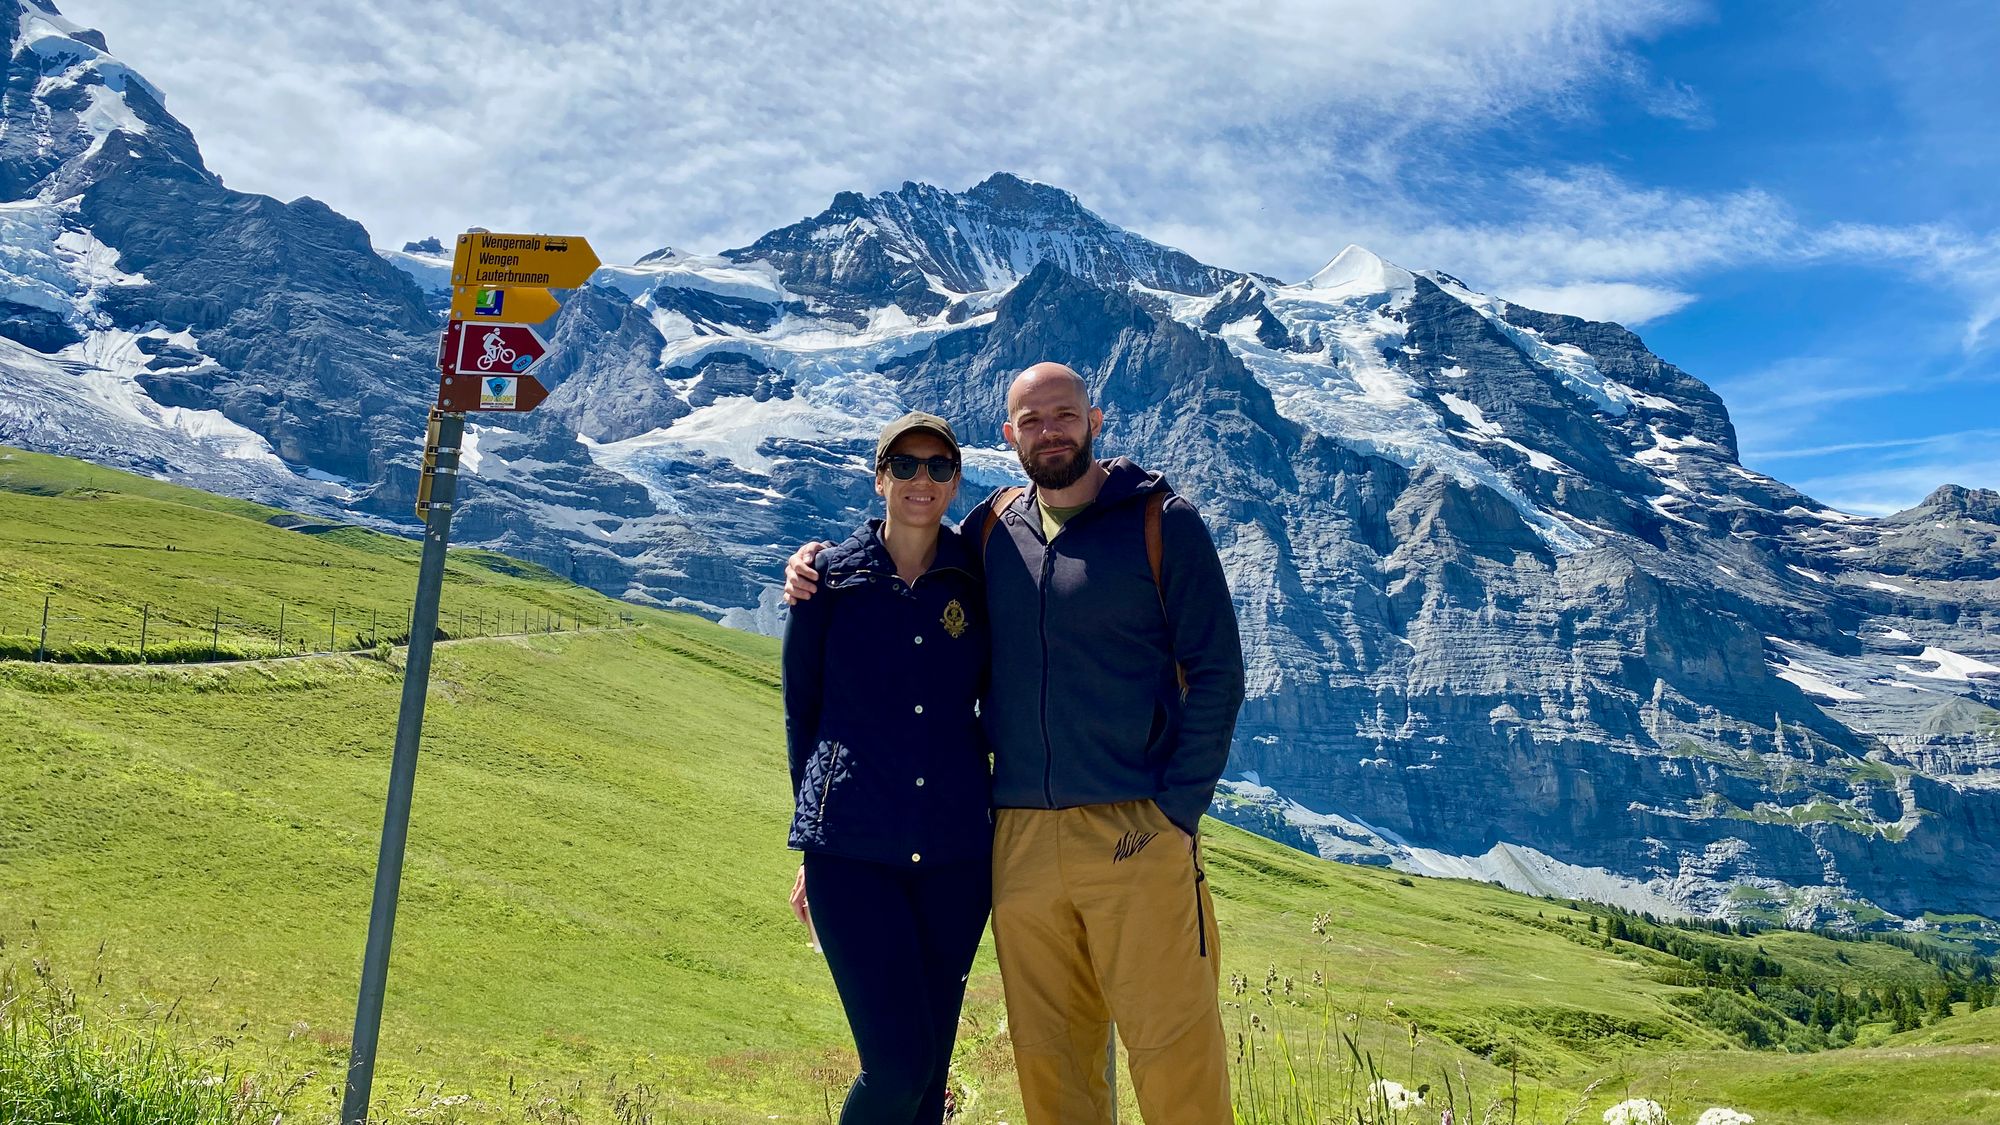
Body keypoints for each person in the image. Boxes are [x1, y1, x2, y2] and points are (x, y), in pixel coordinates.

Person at [786, 363, 1246, 1125]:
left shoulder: (1164, 521)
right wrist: (810, 565)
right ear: (1009, 436)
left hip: (1136, 828)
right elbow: (900, 559)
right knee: (1050, 1064)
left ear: (1095, 419)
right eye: (1031, 421)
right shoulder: (994, 531)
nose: (1049, 431)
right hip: (1020, 834)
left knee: (1175, 1058)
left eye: (1063, 415)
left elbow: (1218, 674)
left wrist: (1176, 815)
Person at [781, 411, 993, 1125]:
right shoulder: (827, 582)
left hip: (956, 860)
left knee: (929, 1075)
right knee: (897, 1065)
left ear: (956, 481)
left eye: (938, 467)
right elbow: (802, 716)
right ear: (879, 478)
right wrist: (813, 840)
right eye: (904, 465)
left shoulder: (978, 579)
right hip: (850, 851)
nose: (921, 480)